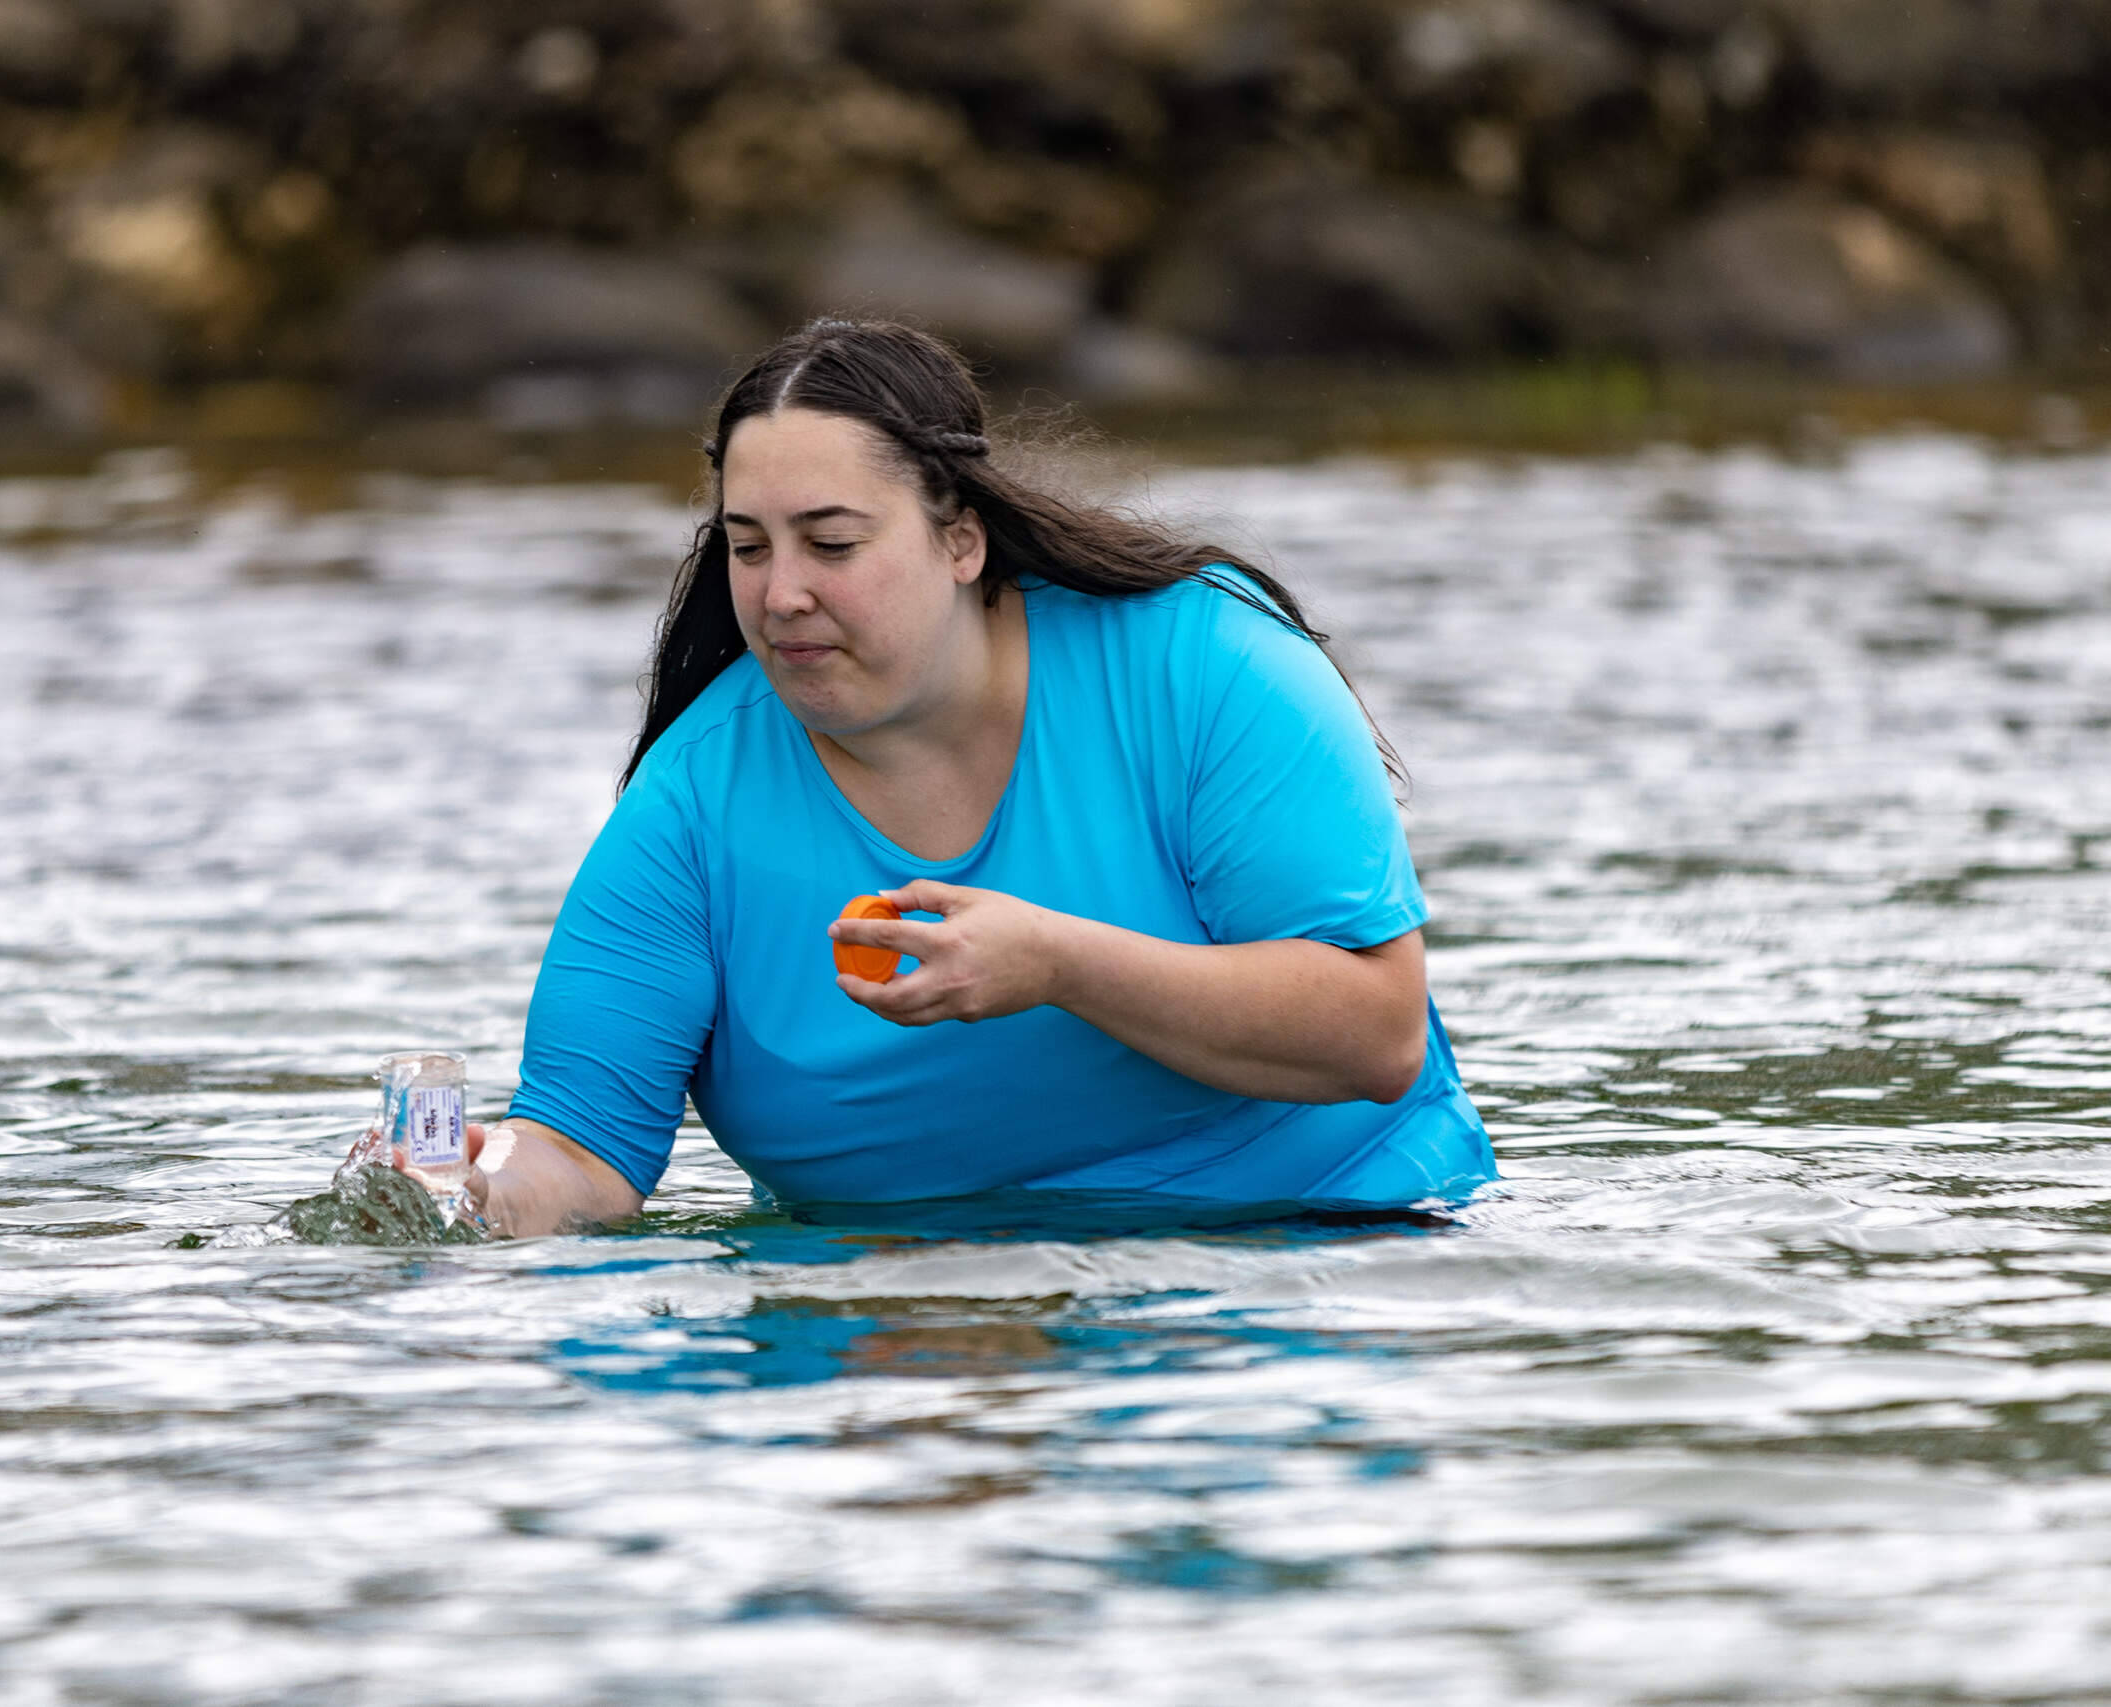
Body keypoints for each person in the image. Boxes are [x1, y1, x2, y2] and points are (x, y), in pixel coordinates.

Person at [392, 319, 1496, 1236]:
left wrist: (1058, 962)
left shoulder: (1204, 663)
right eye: (748, 546)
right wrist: (470, 1193)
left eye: (831, 544)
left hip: (1318, 1244)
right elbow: (582, 1150)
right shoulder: (689, 804)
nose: (779, 596)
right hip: (897, 1330)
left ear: (960, 540)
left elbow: (1377, 1033)